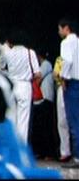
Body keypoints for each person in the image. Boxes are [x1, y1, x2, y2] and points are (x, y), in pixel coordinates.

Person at [0, 31, 41, 144]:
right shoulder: (30, 53)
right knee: (23, 119)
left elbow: (0, 68)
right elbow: (37, 74)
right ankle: (21, 147)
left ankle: (8, 144)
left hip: (12, 85)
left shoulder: (7, 53)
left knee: (10, 117)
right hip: (25, 86)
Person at [58, 17, 79, 168]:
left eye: (59, 28)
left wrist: (63, 78)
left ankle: (77, 157)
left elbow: (68, 61)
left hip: (72, 83)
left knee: (73, 120)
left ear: (66, 28)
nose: (59, 32)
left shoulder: (66, 42)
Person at [30, 51, 56, 159]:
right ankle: (41, 152)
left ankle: (48, 152)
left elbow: (38, 78)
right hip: (41, 99)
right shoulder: (44, 65)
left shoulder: (46, 64)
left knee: (45, 126)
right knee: (40, 127)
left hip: (45, 98)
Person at [54, 55, 72, 162]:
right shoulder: (60, 58)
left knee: (63, 122)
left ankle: (66, 152)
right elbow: (55, 74)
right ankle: (66, 151)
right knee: (63, 122)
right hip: (65, 87)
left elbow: (56, 74)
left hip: (65, 87)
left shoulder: (61, 58)